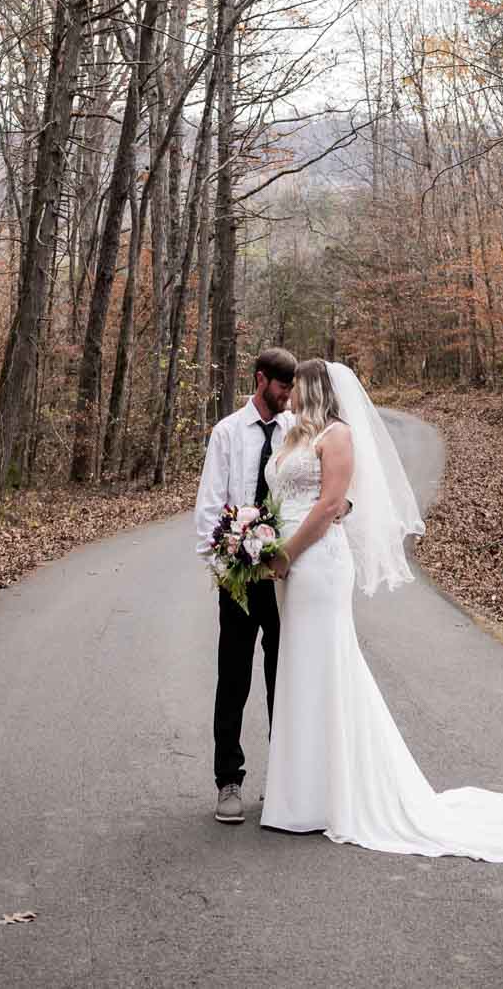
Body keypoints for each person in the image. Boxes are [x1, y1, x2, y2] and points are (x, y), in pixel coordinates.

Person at [259, 358, 503, 863]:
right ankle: (302, 793)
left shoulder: (338, 436)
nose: (289, 395)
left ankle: (328, 795)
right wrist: (261, 540)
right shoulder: (292, 438)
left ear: (315, 389)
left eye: (299, 387)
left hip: (316, 565)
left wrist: (287, 553)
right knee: (299, 671)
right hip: (287, 567)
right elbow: (280, 496)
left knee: (323, 667)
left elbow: (333, 505)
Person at [193, 344, 297, 822]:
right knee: (233, 679)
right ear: (261, 380)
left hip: (284, 576)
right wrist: (222, 565)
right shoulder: (228, 432)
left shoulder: (297, 431)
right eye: (282, 387)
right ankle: (228, 781)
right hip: (237, 575)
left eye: (292, 387)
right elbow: (210, 503)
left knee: (284, 677)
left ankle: (284, 779)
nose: (289, 396)